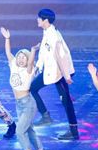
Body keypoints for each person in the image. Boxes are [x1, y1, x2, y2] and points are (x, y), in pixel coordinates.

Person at [1, 27, 49, 150]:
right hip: (19, 104)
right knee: (28, 129)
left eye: (24, 57)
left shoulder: (29, 71)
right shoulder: (14, 66)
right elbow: (8, 53)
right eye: (19, 57)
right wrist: (7, 38)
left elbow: (31, 62)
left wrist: (33, 51)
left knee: (19, 131)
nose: (21, 59)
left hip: (28, 104)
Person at [29, 9, 79, 140]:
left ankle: (73, 131)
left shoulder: (54, 36)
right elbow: (44, 52)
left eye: (39, 18)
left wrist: (66, 76)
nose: (37, 20)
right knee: (33, 88)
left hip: (60, 73)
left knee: (66, 101)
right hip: (51, 71)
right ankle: (46, 116)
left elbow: (61, 57)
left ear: (45, 20)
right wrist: (38, 66)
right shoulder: (47, 32)